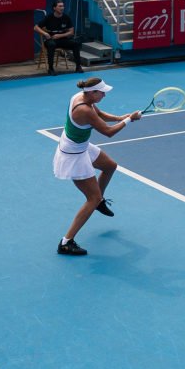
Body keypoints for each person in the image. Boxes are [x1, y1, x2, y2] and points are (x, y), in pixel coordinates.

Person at [54, 77, 141, 257]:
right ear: (92, 92)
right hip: (74, 156)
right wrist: (129, 120)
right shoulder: (84, 109)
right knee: (91, 199)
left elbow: (99, 115)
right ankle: (66, 242)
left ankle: (99, 200)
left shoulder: (81, 96)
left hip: (80, 145)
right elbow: (108, 132)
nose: (104, 94)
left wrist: (120, 117)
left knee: (110, 166)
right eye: (101, 92)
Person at [36, 0, 78, 74]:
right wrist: (45, 34)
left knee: (75, 43)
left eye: (63, 6)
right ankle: (51, 69)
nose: (62, 8)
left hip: (63, 40)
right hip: (51, 40)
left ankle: (78, 67)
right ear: (54, 8)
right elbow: (36, 27)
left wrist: (60, 35)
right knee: (51, 45)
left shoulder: (66, 17)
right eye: (60, 6)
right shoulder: (49, 18)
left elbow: (71, 32)